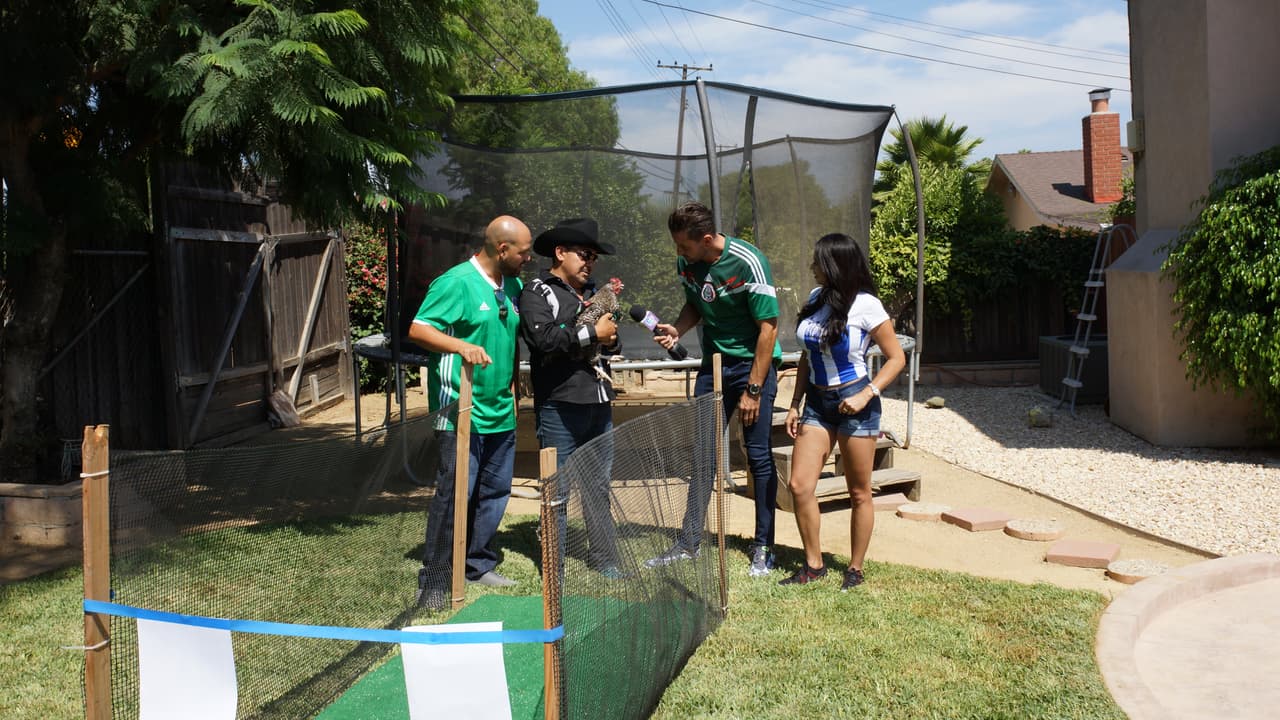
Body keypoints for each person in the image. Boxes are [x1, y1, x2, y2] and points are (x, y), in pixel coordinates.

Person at [645, 201, 782, 577]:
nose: (679, 253)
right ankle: (689, 543)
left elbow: (769, 327)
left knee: (757, 456)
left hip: (753, 366)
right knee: (703, 455)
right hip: (714, 367)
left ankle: (764, 546)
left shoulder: (747, 261)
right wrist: (678, 328)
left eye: (684, 246)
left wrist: (753, 389)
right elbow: (695, 305)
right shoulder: (687, 262)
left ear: (707, 239)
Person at [410, 215, 532, 605]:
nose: (527, 259)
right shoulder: (456, 282)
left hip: (501, 410)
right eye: (523, 252)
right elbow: (419, 328)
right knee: (454, 494)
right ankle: (435, 578)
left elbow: (511, 338)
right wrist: (460, 346)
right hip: (460, 411)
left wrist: (514, 386)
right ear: (502, 249)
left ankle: (477, 564)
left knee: (494, 492)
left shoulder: (511, 285)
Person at [779, 232, 905, 591]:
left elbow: (897, 359)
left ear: (835, 264)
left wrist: (868, 394)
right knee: (800, 485)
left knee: (859, 492)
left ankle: (854, 568)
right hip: (818, 405)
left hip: (856, 402)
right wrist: (794, 404)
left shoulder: (866, 305)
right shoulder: (817, 298)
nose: (812, 267)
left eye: (817, 261)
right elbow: (807, 356)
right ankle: (814, 565)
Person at [519, 218, 626, 578]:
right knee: (557, 490)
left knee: (597, 488)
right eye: (584, 254)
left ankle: (605, 559)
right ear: (560, 252)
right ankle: (555, 565)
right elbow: (543, 340)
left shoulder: (594, 293)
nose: (589, 263)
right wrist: (591, 332)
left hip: (599, 401)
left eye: (594, 257)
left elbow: (612, 341)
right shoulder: (536, 290)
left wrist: (610, 339)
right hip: (560, 405)